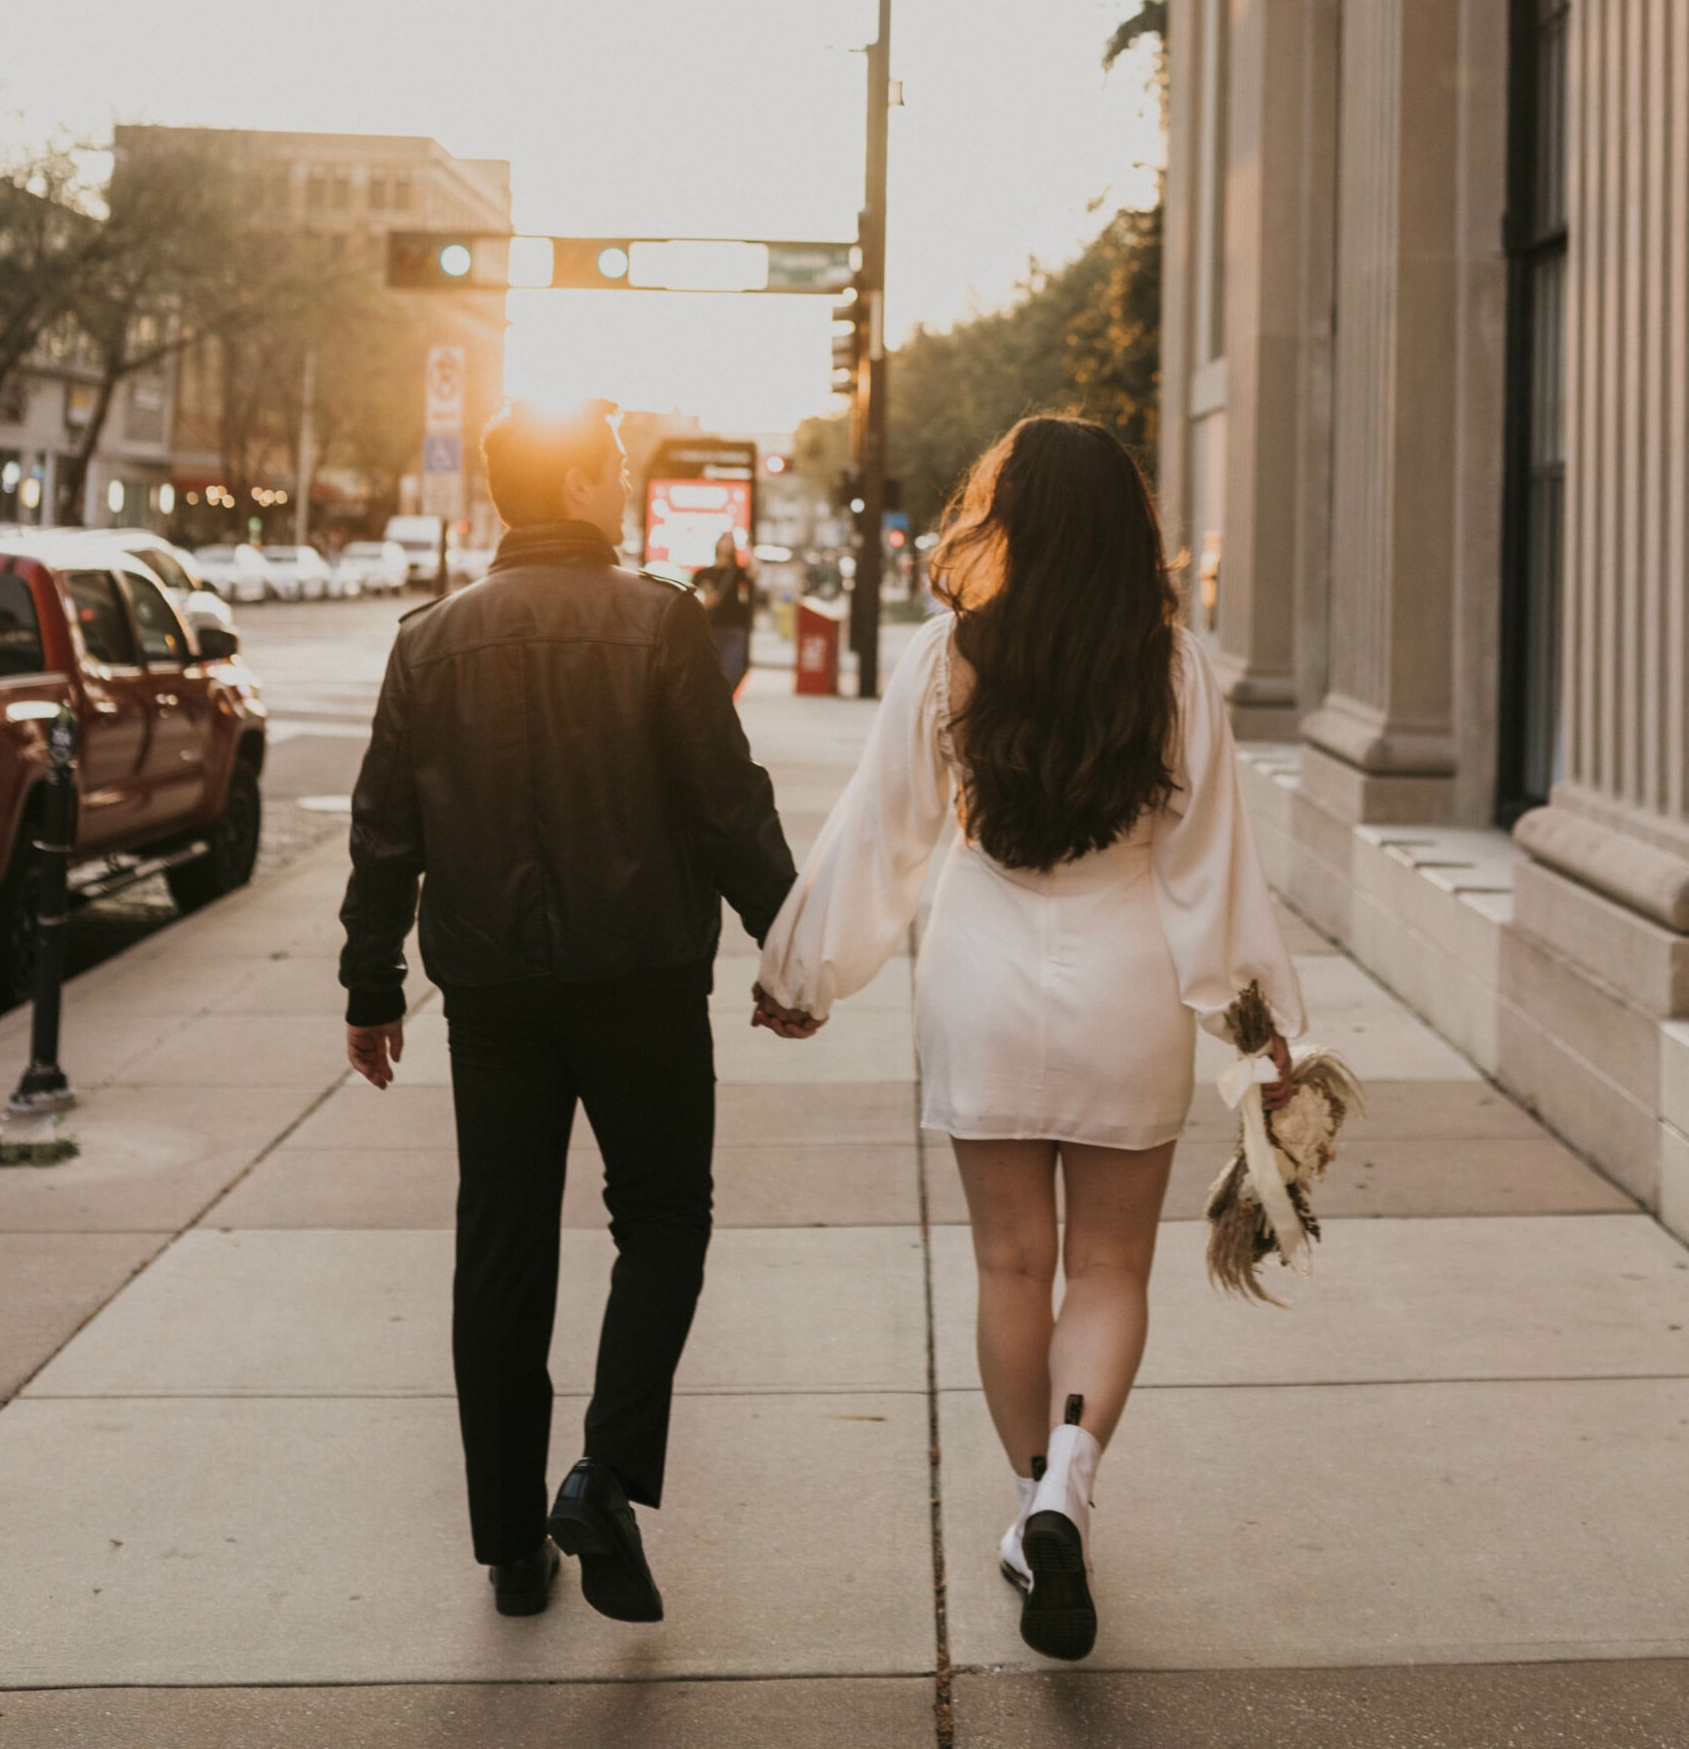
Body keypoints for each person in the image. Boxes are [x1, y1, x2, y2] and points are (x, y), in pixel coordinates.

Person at [752, 415, 1305, 1663]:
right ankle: (1070, 1483)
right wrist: (1260, 1025)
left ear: (1008, 518)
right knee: (1109, 1266)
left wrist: (806, 972)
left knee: (1011, 1266)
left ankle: (1030, 1502)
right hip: (1129, 986)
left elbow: (881, 834)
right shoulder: (1168, 666)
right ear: (1127, 526)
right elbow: (1211, 861)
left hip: (982, 979)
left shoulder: (952, 655)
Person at [339, 399, 798, 1624]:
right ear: (590, 485)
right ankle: (601, 1472)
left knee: (499, 1244)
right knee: (663, 1217)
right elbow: (725, 803)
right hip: (641, 977)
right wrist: (789, 946)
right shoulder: (658, 622)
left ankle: (508, 1547)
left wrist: (371, 983)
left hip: (489, 990)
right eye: (614, 468)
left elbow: (386, 826)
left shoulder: (429, 639)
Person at [693, 527, 754, 694]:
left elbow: (755, 571)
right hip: (709, 629)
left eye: (730, 540)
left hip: (734, 629)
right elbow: (692, 602)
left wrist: (748, 546)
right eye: (724, 539)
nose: (727, 543)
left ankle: (721, 706)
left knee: (731, 673)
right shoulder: (703, 574)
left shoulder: (737, 573)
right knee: (707, 673)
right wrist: (706, 602)